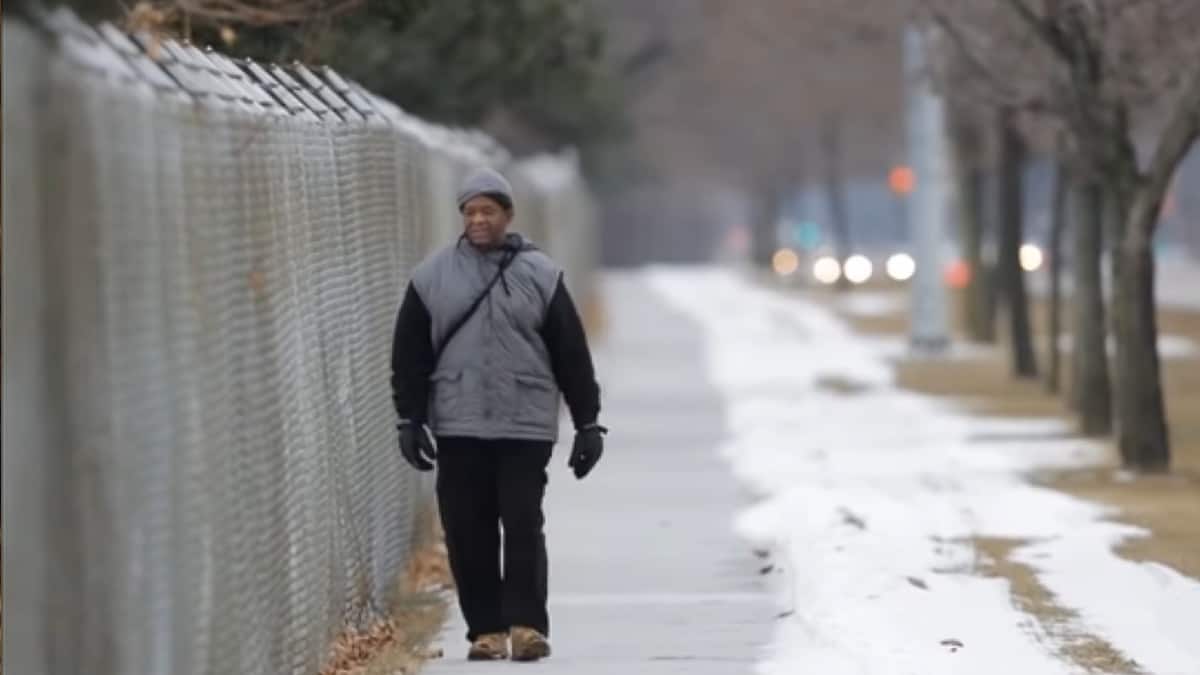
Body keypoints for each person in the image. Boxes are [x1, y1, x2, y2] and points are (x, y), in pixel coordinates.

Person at [389, 166, 606, 662]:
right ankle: (485, 630)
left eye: (488, 210)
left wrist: (588, 422)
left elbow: (571, 352)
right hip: (459, 421)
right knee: (467, 528)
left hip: (524, 422)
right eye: (470, 212)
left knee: (523, 521)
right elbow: (410, 355)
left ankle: (528, 625)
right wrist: (410, 418)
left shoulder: (541, 276)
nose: (479, 219)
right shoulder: (431, 278)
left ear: (508, 215)